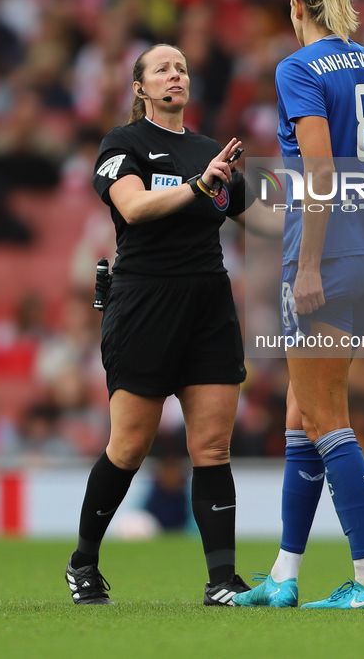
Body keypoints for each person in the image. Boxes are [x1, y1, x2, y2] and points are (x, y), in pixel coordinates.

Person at [233, 0, 364, 609]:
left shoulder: (296, 68)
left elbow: (318, 171)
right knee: (301, 409)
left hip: (324, 259)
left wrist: (312, 265)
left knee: (323, 416)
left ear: (297, 8)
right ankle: (285, 576)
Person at [65, 43, 280, 606]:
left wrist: (324, 209)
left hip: (208, 304)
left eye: (182, 66)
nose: (175, 74)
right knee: (129, 445)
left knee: (212, 446)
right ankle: (83, 562)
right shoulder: (123, 144)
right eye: (161, 68)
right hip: (143, 304)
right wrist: (199, 186)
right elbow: (132, 208)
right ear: (140, 88)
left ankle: (222, 581)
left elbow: (263, 220)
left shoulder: (213, 151)